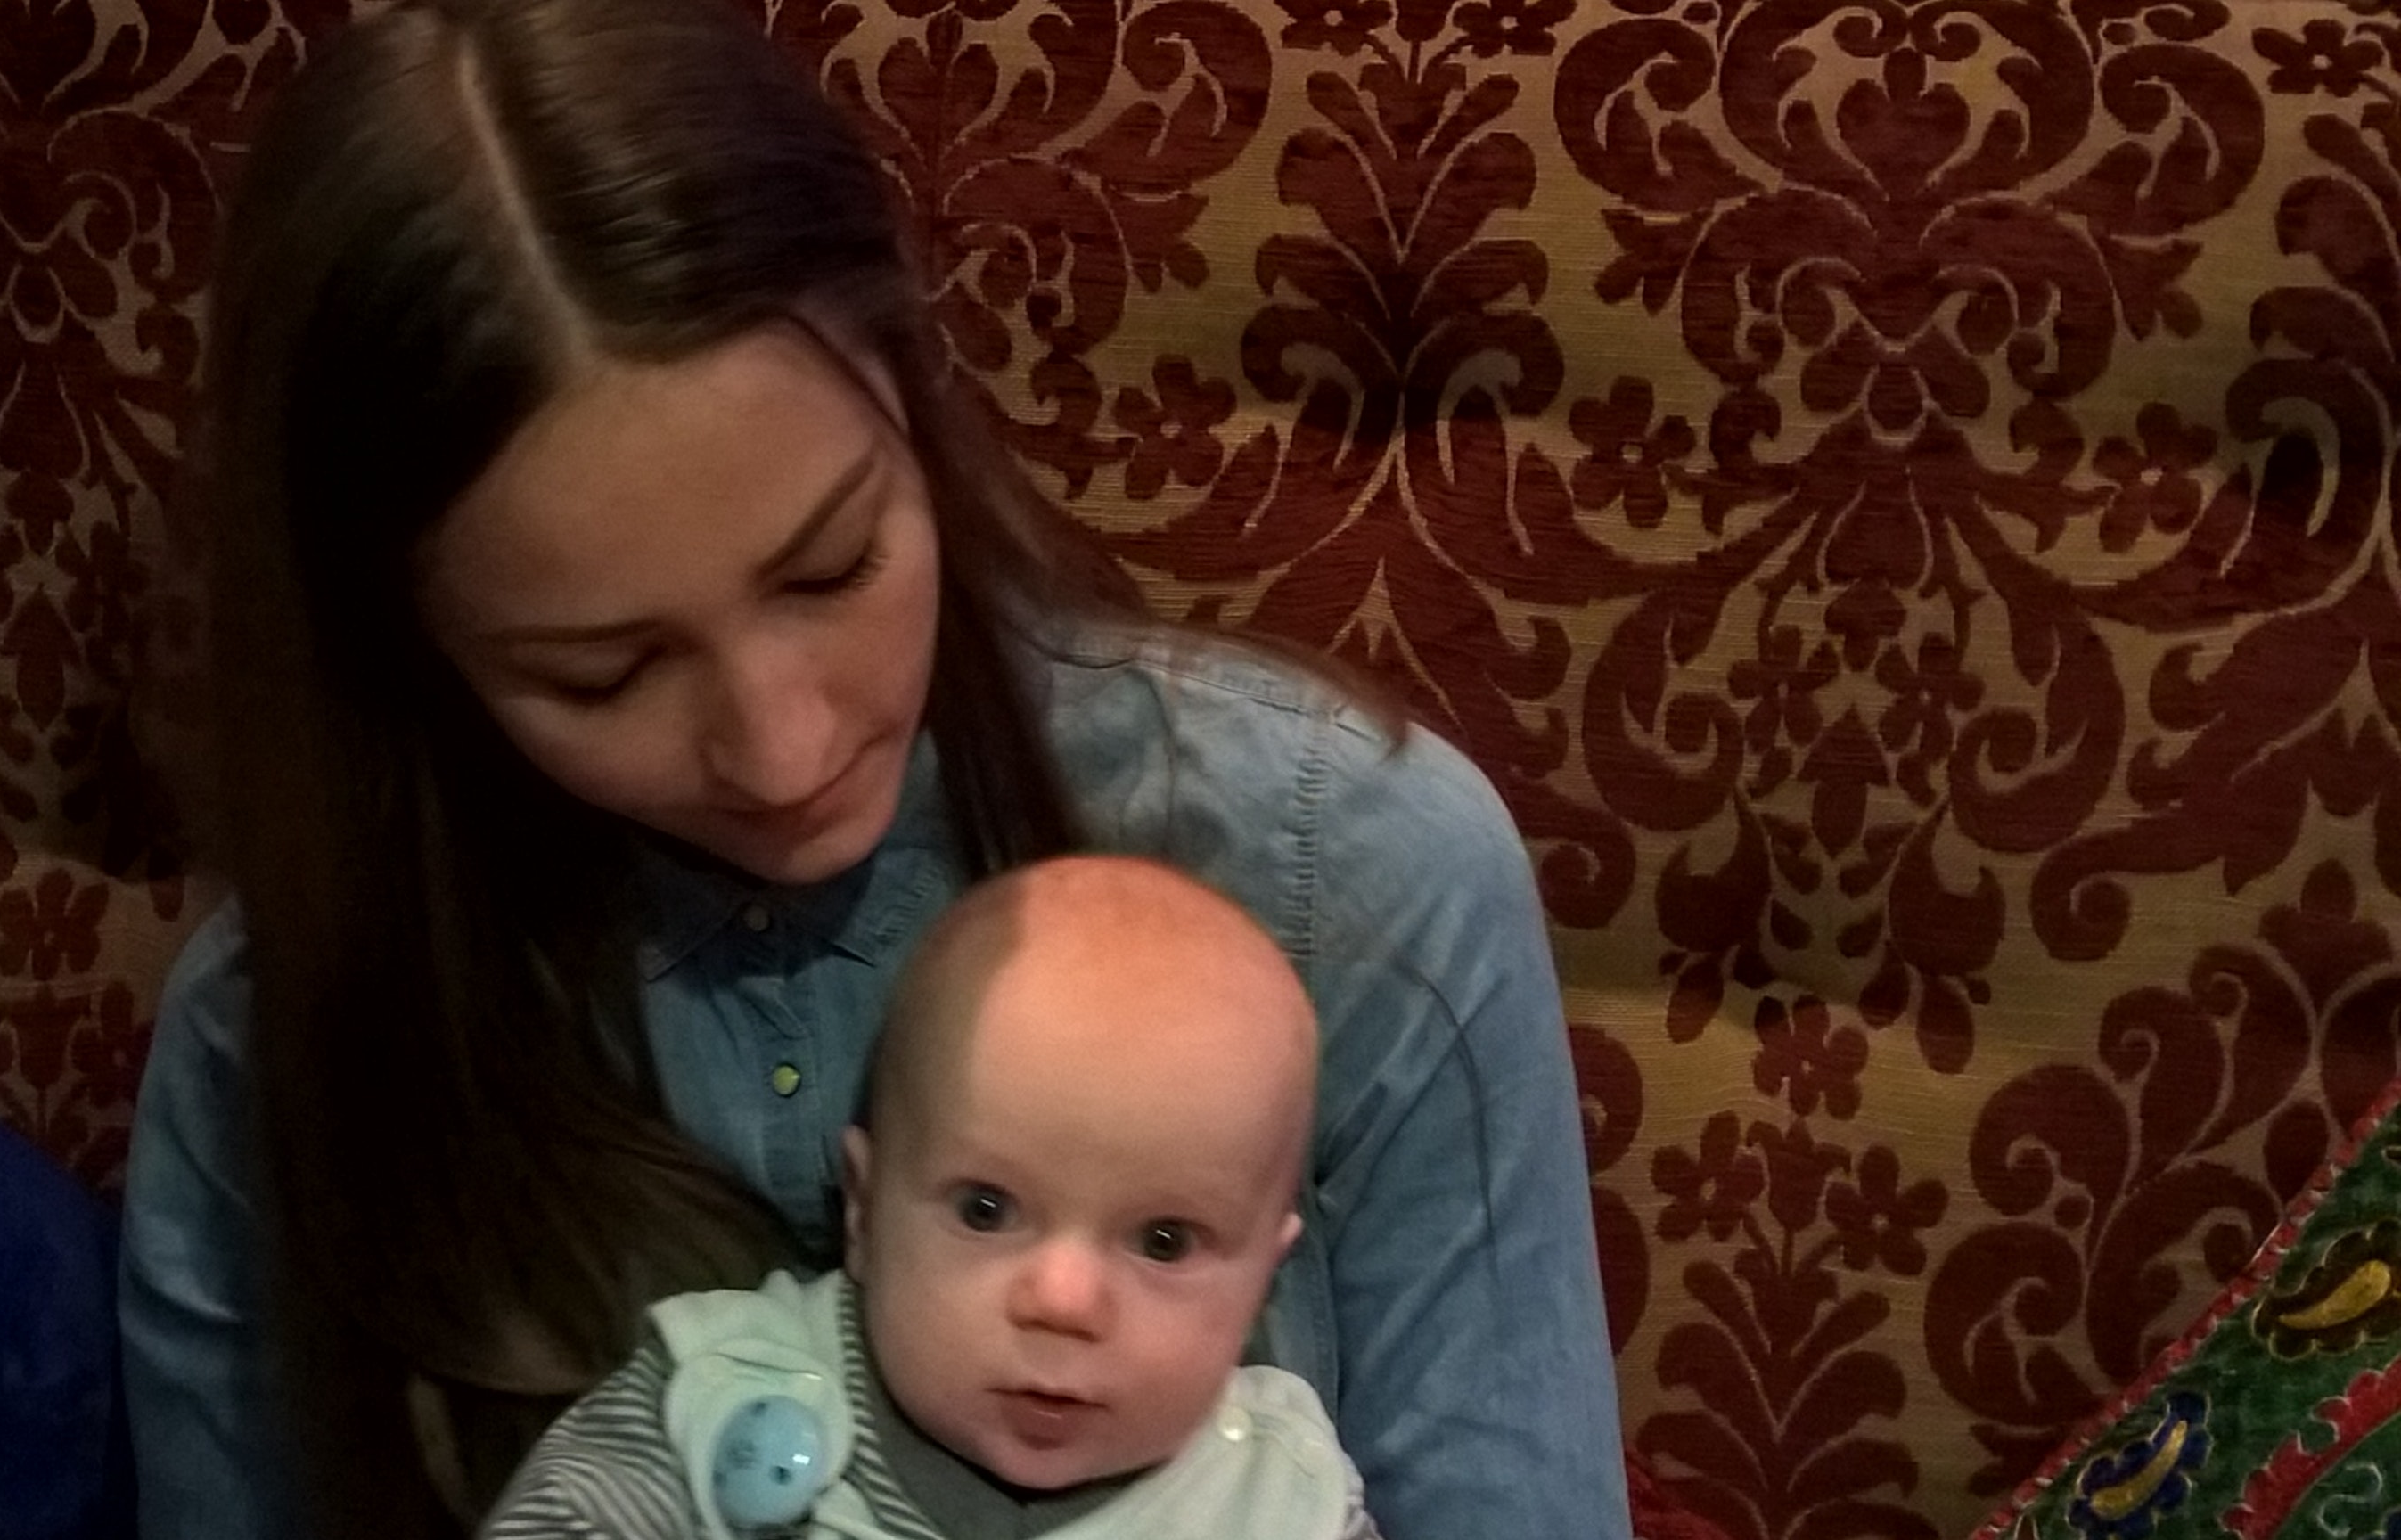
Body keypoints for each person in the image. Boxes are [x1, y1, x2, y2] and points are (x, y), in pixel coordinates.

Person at [118, 0, 1628, 1535]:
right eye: (602, 672)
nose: (781, 751)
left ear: (915, 389)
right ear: (408, 644)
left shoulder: (1352, 874)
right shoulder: (276, 1034)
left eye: (831, 567)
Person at [483, 855, 1372, 1540]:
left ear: (1263, 1280)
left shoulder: (1287, 1502)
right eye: (986, 1209)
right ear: (863, 1211)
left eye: (1165, 1240)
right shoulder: (722, 1401)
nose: (1063, 1302)